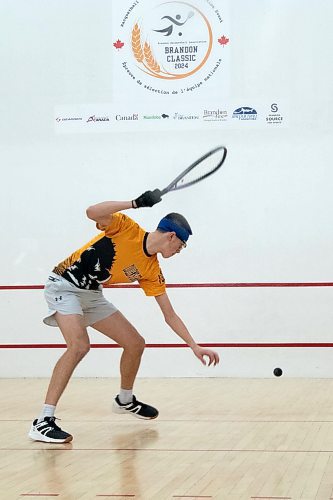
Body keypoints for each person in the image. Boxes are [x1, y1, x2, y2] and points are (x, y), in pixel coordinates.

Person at [28, 189, 220, 443]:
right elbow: (92, 212)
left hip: (91, 294)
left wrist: (194, 345)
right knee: (79, 346)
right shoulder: (125, 228)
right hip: (64, 284)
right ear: (172, 237)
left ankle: (124, 400)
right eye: (182, 245)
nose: (180, 251)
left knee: (135, 343)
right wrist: (135, 203)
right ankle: (43, 420)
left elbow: (169, 314)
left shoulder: (151, 269)